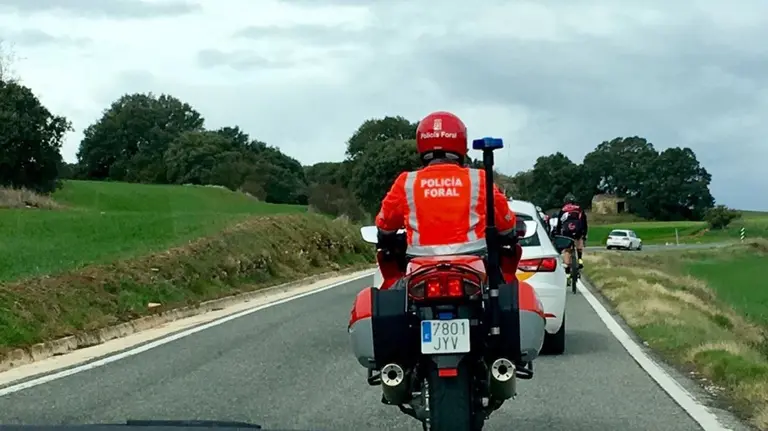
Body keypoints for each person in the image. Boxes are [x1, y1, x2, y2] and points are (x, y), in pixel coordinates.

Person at [375, 111, 518, 259]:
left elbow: (385, 227)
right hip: (473, 262)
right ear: (462, 142)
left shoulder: (406, 182)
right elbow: (506, 226)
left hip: (419, 263)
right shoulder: (479, 178)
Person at [555, 193, 588, 272]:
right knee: (579, 241)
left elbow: (559, 224)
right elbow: (584, 222)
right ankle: (580, 259)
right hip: (577, 230)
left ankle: (567, 269)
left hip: (566, 232)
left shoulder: (563, 210)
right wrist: (584, 233)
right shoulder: (579, 209)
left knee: (567, 250)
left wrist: (558, 233)